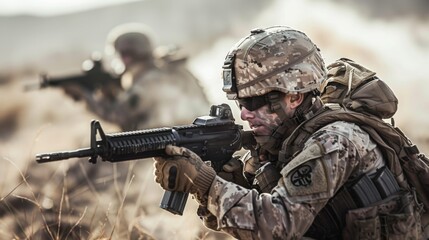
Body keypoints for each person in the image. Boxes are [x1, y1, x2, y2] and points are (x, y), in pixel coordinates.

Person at [153, 26, 424, 239]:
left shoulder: (334, 142)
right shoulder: (284, 141)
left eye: (253, 102)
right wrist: (230, 184)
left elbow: (276, 227)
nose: (244, 114)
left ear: (294, 96)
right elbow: (244, 225)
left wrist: (205, 182)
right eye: (240, 103)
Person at [65, 22, 211, 131]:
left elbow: (117, 115)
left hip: (174, 145)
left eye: (121, 54)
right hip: (198, 136)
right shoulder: (171, 70)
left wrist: (85, 96)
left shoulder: (148, 82)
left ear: (127, 56)